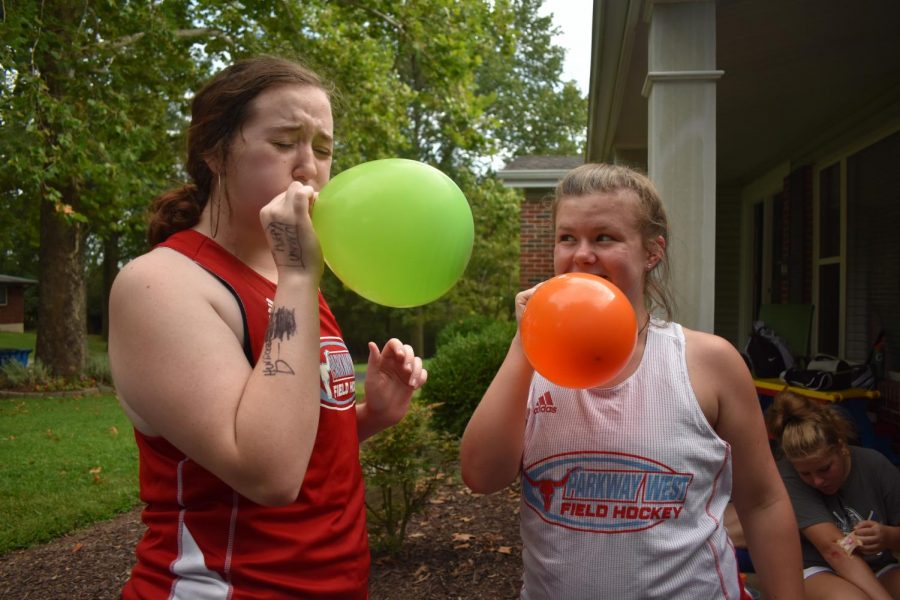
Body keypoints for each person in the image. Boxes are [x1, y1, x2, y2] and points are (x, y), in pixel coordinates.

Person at [108, 56, 427, 599]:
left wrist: (370, 416)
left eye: (322, 148)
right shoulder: (160, 283)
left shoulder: (293, 282)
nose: (309, 167)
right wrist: (299, 275)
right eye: (284, 143)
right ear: (215, 152)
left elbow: (296, 440)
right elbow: (269, 474)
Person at [459, 163, 803, 599]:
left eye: (604, 237)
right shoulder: (530, 365)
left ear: (652, 252)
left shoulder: (709, 362)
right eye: (568, 238)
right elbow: (481, 476)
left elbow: (763, 503)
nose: (582, 254)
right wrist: (525, 345)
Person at [766, 390, 900, 599]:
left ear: (841, 447)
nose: (817, 481)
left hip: (877, 565)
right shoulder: (787, 476)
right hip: (817, 568)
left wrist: (887, 536)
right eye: (806, 474)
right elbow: (834, 550)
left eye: (825, 469)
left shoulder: (874, 464)